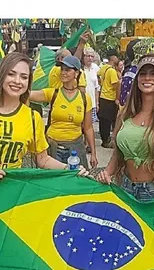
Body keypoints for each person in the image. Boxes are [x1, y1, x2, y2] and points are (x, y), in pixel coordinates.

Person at [0, 52, 88, 180]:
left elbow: (43, 159)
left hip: (13, 190)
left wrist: (69, 168)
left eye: (24, 77)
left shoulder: (33, 118)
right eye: (11, 74)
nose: (17, 81)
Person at [97, 54, 154, 202]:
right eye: (143, 74)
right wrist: (107, 173)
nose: (147, 78)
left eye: (153, 74)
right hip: (126, 187)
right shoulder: (126, 114)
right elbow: (117, 154)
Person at [30, 55, 98, 170]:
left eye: (67, 70)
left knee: (76, 183)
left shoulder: (85, 99)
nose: (63, 72)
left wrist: (93, 154)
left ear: (76, 73)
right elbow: (27, 94)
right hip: (53, 148)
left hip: (76, 150)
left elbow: (88, 128)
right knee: (53, 184)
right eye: (62, 69)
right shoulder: (53, 93)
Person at [97, 49, 119, 148]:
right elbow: (116, 85)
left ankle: (104, 139)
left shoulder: (103, 68)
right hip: (110, 98)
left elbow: (98, 76)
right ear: (113, 58)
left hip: (102, 97)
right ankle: (107, 141)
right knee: (109, 120)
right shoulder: (112, 71)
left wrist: (102, 84)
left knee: (103, 120)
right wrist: (117, 98)